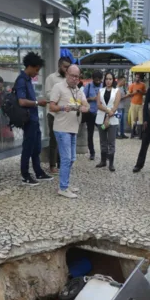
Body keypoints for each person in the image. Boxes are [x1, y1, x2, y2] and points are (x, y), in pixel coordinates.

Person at [50, 64, 89, 198]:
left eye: (77, 77)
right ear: (67, 74)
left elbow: (86, 104)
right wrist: (62, 108)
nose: (74, 79)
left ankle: (65, 183)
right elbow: (52, 107)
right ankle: (63, 187)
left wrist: (85, 107)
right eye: (72, 75)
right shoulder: (58, 87)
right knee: (66, 158)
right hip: (61, 128)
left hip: (73, 128)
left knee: (71, 158)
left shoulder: (78, 90)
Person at [15, 52, 53, 186]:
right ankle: (25, 175)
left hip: (34, 118)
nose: (37, 73)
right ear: (30, 66)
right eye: (36, 70)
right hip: (28, 119)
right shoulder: (21, 80)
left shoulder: (28, 80)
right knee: (28, 147)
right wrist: (37, 103)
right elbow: (21, 101)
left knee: (36, 147)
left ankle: (38, 171)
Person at [45, 56, 71, 174]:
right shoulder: (51, 78)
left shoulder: (69, 79)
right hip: (53, 114)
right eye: (65, 67)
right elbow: (48, 95)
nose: (67, 69)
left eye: (68, 67)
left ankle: (62, 163)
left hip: (65, 114)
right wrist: (61, 96)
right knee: (54, 140)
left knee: (64, 140)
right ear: (59, 66)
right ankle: (52, 165)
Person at [95, 72, 121, 171]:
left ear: (113, 80)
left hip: (112, 119)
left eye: (110, 79)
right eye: (106, 79)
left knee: (111, 141)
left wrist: (111, 112)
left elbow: (116, 105)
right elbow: (98, 104)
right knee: (103, 141)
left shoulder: (117, 91)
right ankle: (103, 161)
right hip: (101, 118)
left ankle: (111, 163)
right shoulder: (100, 90)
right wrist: (107, 111)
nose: (108, 81)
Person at [83, 70, 103, 160]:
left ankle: (104, 152)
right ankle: (92, 152)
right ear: (93, 79)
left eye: (99, 80)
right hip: (90, 114)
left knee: (103, 133)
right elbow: (82, 99)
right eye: (96, 80)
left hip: (101, 114)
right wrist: (92, 98)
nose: (97, 81)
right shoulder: (89, 86)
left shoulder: (104, 86)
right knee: (90, 134)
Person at [128, 73, 147, 139]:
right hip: (133, 104)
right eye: (136, 77)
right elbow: (129, 94)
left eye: (138, 77)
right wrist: (135, 92)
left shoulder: (143, 85)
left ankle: (140, 135)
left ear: (140, 78)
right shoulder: (132, 85)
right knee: (133, 119)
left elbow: (145, 93)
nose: (137, 78)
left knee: (140, 119)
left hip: (140, 104)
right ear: (134, 77)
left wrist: (141, 92)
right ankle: (132, 134)